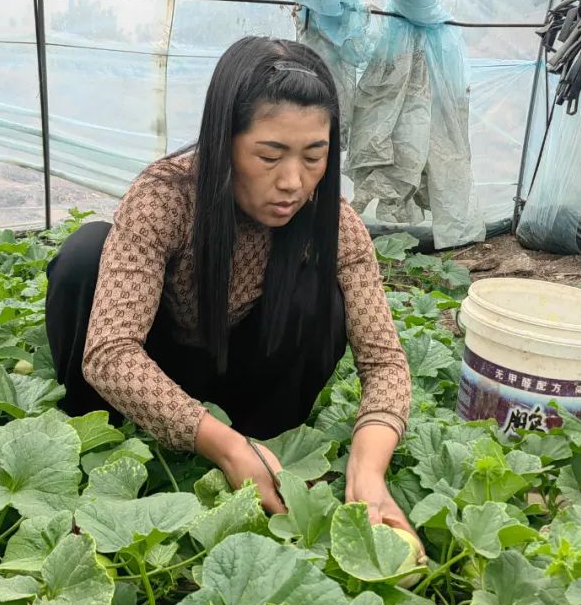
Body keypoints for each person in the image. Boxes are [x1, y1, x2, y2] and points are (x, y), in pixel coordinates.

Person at [45, 35, 415, 534]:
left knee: (322, 293)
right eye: (269, 156)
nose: (293, 182)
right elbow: (111, 351)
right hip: (159, 366)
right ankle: (98, 430)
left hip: (249, 386)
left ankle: (267, 442)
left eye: (314, 156)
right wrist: (223, 444)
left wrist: (368, 472)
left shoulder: (331, 222)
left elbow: (385, 361)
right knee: (83, 255)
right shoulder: (165, 198)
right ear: (225, 141)